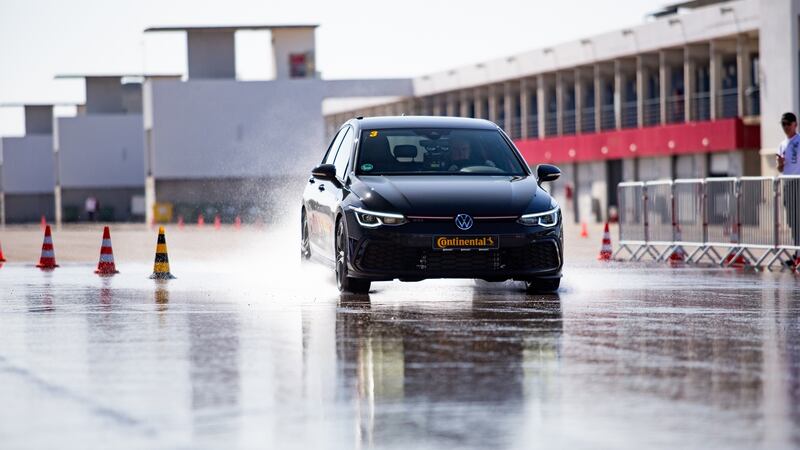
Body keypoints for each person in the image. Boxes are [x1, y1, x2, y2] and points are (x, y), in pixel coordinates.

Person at [777, 112, 800, 265]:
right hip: (787, 184)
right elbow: (780, 168)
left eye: (788, 124)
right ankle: (797, 253)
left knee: (798, 219)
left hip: (798, 182)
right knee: (792, 221)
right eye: (783, 124)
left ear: (795, 124)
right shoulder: (782, 144)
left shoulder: (799, 140)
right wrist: (780, 164)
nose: (785, 127)